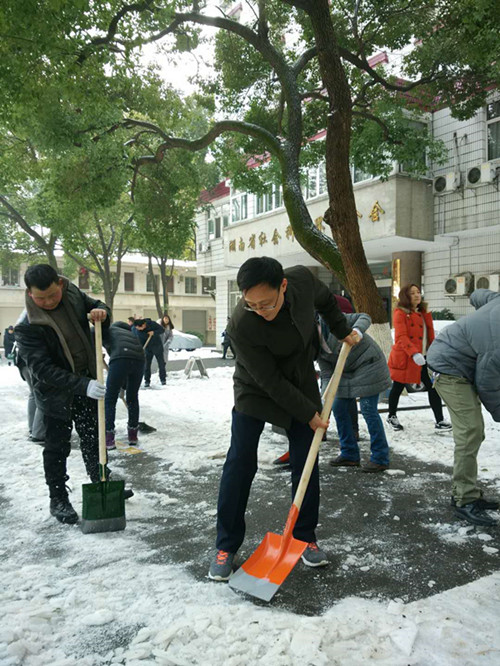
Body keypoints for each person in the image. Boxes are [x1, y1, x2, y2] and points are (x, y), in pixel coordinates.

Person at [208, 257, 359, 581]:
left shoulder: (303, 281)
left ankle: (303, 537)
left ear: (284, 286)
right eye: (252, 305)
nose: (260, 310)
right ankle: (226, 545)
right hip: (255, 388)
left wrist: (342, 330)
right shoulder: (241, 324)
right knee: (240, 461)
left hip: (301, 380)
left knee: (306, 459)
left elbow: (327, 301)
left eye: (266, 303)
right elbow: (270, 381)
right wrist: (308, 414)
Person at [14, 264, 131, 525]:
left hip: (86, 382)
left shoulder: (73, 294)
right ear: (30, 293)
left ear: (61, 285)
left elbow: (97, 305)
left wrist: (101, 311)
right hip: (55, 394)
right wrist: (82, 385)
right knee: (57, 447)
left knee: (93, 439)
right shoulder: (27, 326)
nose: (47, 302)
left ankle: (102, 481)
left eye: (52, 296)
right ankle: (58, 498)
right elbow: (42, 369)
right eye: (39, 298)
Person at [427, 289, 500, 527]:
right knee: (470, 431)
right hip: (448, 366)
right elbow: (488, 383)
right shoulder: (496, 341)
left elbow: (481, 295)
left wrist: (472, 294)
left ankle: (467, 491)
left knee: (474, 431)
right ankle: (463, 500)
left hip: (459, 357)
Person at [318, 312, 392, 472]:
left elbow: (364, 317)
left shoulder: (331, 320)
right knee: (338, 407)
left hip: (369, 364)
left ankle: (380, 457)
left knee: (367, 409)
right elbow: (326, 375)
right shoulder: (315, 348)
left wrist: (357, 331)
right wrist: (325, 404)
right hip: (346, 371)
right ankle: (349, 454)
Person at [387, 284, 451, 431]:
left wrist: (433, 352)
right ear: (405, 296)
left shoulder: (423, 312)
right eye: (412, 293)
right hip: (406, 357)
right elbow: (401, 336)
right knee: (398, 386)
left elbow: (430, 335)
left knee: (432, 387)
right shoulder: (400, 313)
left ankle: (439, 420)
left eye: (418, 292)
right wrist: (414, 353)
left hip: (424, 357)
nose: (417, 295)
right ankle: (391, 416)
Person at [103, 321, 145, 450]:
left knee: (110, 398)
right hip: (139, 360)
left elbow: (92, 333)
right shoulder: (132, 334)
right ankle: (133, 436)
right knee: (132, 397)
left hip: (120, 358)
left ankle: (109, 438)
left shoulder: (108, 330)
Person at [14, 340, 46, 443]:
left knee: (34, 394)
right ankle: (38, 433)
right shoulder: (35, 325)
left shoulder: (23, 325)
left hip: (24, 362)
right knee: (42, 394)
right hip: (33, 362)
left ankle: (33, 428)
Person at [132, 318, 166, 387]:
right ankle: (147, 381)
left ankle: (163, 379)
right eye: (137, 328)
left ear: (144, 324)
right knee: (147, 365)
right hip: (147, 348)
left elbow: (162, 330)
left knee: (161, 363)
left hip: (157, 346)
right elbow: (139, 341)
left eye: (140, 328)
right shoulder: (137, 331)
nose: (139, 329)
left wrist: (154, 332)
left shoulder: (152, 324)